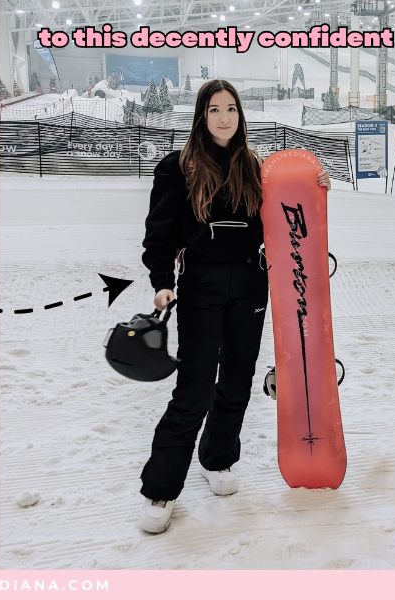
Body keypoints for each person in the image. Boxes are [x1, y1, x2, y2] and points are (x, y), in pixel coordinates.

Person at [138, 79, 331, 533]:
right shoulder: (178, 167)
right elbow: (159, 234)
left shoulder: (257, 168)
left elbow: (289, 214)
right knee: (195, 389)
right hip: (201, 285)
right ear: (201, 116)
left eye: (231, 109)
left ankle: (217, 458)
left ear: (240, 115)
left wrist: (315, 186)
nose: (224, 118)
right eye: (214, 109)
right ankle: (160, 489)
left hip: (250, 284)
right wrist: (162, 282)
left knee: (238, 381)